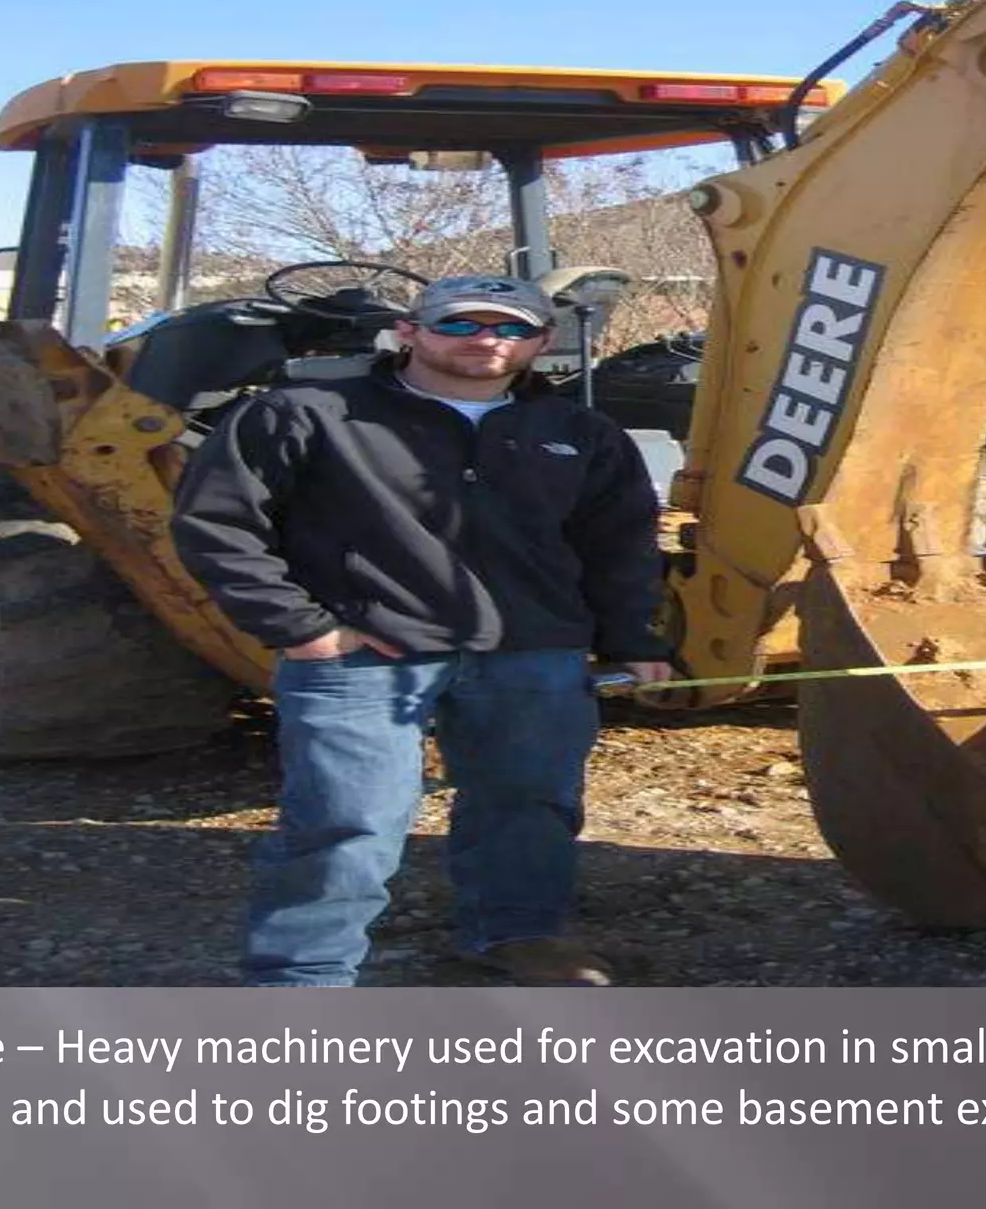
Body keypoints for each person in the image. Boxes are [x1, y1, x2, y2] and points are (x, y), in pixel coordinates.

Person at [171, 273, 672, 988]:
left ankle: (517, 934)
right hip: (364, 658)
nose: (486, 340)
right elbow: (217, 526)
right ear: (409, 331)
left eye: (509, 328)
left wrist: (634, 643)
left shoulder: (580, 434)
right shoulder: (307, 413)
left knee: (530, 809)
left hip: (531, 657)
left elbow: (619, 547)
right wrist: (301, 627)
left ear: (542, 341)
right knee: (347, 821)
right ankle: (302, 975)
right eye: (459, 325)